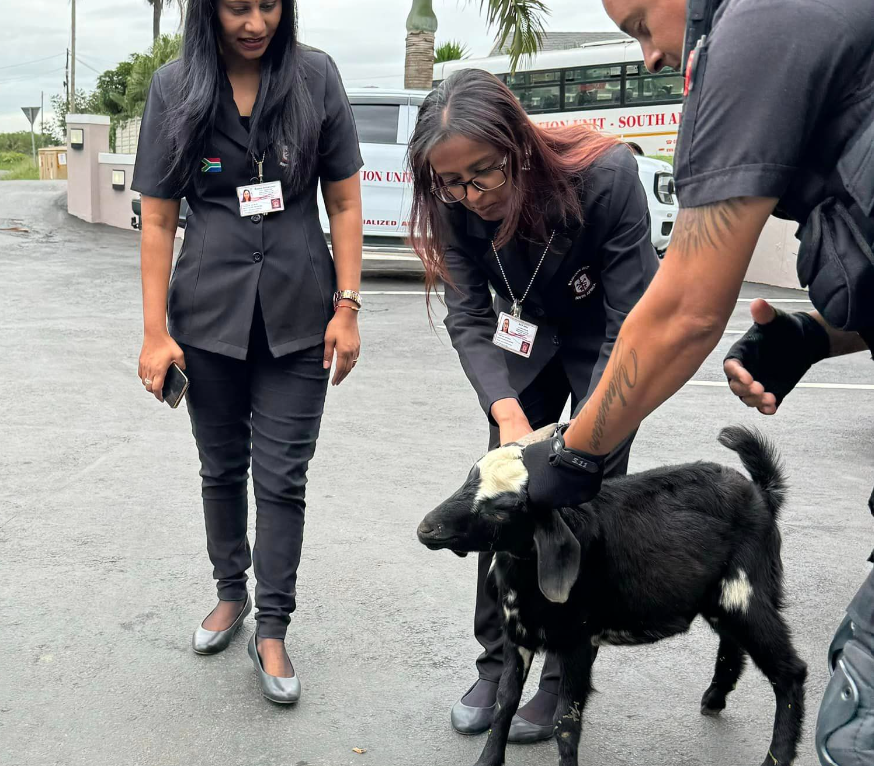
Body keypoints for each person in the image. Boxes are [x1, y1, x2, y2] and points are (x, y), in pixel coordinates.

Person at [514, 1, 873, 763]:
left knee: (857, 725)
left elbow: (682, 307)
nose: (647, 56)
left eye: (641, 23)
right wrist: (818, 337)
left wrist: (575, 456)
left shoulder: (758, 23)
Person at [408, 68, 659, 743]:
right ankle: (497, 664)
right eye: (452, 182)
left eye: (483, 174)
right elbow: (467, 318)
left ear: (517, 145)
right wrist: (507, 417)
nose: (471, 194)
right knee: (504, 504)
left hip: (610, 350)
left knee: (580, 508)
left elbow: (632, 318)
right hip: (527, 344)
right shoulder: (452, 200)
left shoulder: (604, 175)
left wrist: (586, 434)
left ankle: (560, 682)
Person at [132, 0, 364, 704]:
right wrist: (153, 331)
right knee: (221, 468)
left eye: (269, 5)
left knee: (283, 478)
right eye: (238, 6)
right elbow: (159, 218)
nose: (255, 21)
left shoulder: (317, 77)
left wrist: (348, 307)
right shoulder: (176, 87)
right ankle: (230, 594)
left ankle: (274, 625)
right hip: (207, 320)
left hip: (300, 314)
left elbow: (345, 201)